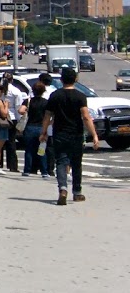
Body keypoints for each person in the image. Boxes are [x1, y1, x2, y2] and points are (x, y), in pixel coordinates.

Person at [39, 67, 98, 205]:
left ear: (61, 79)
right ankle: (77, 192)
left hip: (59, 133)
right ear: (76, 79)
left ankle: (63, 189)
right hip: (76, 134)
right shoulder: (80, 96)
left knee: (61, 161)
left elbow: (48, 115)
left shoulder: (55, 95)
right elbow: (85, 116)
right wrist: (94, 135)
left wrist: (43, 132)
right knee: (76, 163)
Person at [22, 72, 52, 175]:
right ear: (43, 91)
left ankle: (27, 170)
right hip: (41, 127)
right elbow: (50, 115)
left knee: (29, 150)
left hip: (30, 127)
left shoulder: (29, 101)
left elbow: (21, 110)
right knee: (42, 150)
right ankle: (44, 171)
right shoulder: (46, 102)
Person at [3, 72, 27, 172]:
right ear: (12, 80)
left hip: (1, 117)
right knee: (11, 142)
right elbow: (18, 108)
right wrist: (19, 122)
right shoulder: (15, 91)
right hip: (11, 118)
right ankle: (12, 166)